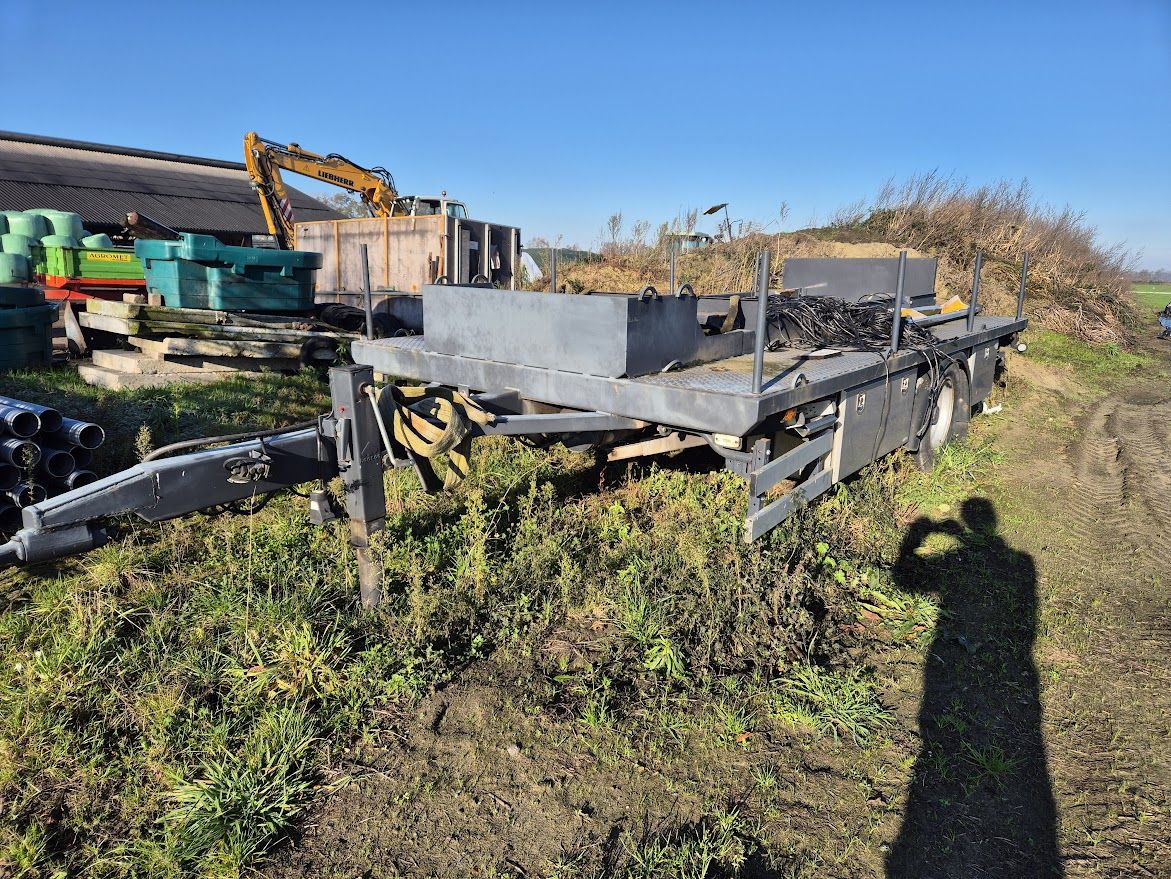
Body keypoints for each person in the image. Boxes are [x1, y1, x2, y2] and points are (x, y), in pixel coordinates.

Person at [886, 498, 1062, 878]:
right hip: (1019, 668)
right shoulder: (1021, 563)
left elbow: (905, 580)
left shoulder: (963, 561)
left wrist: (916, 537)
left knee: (935, 739)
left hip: (954, 665)